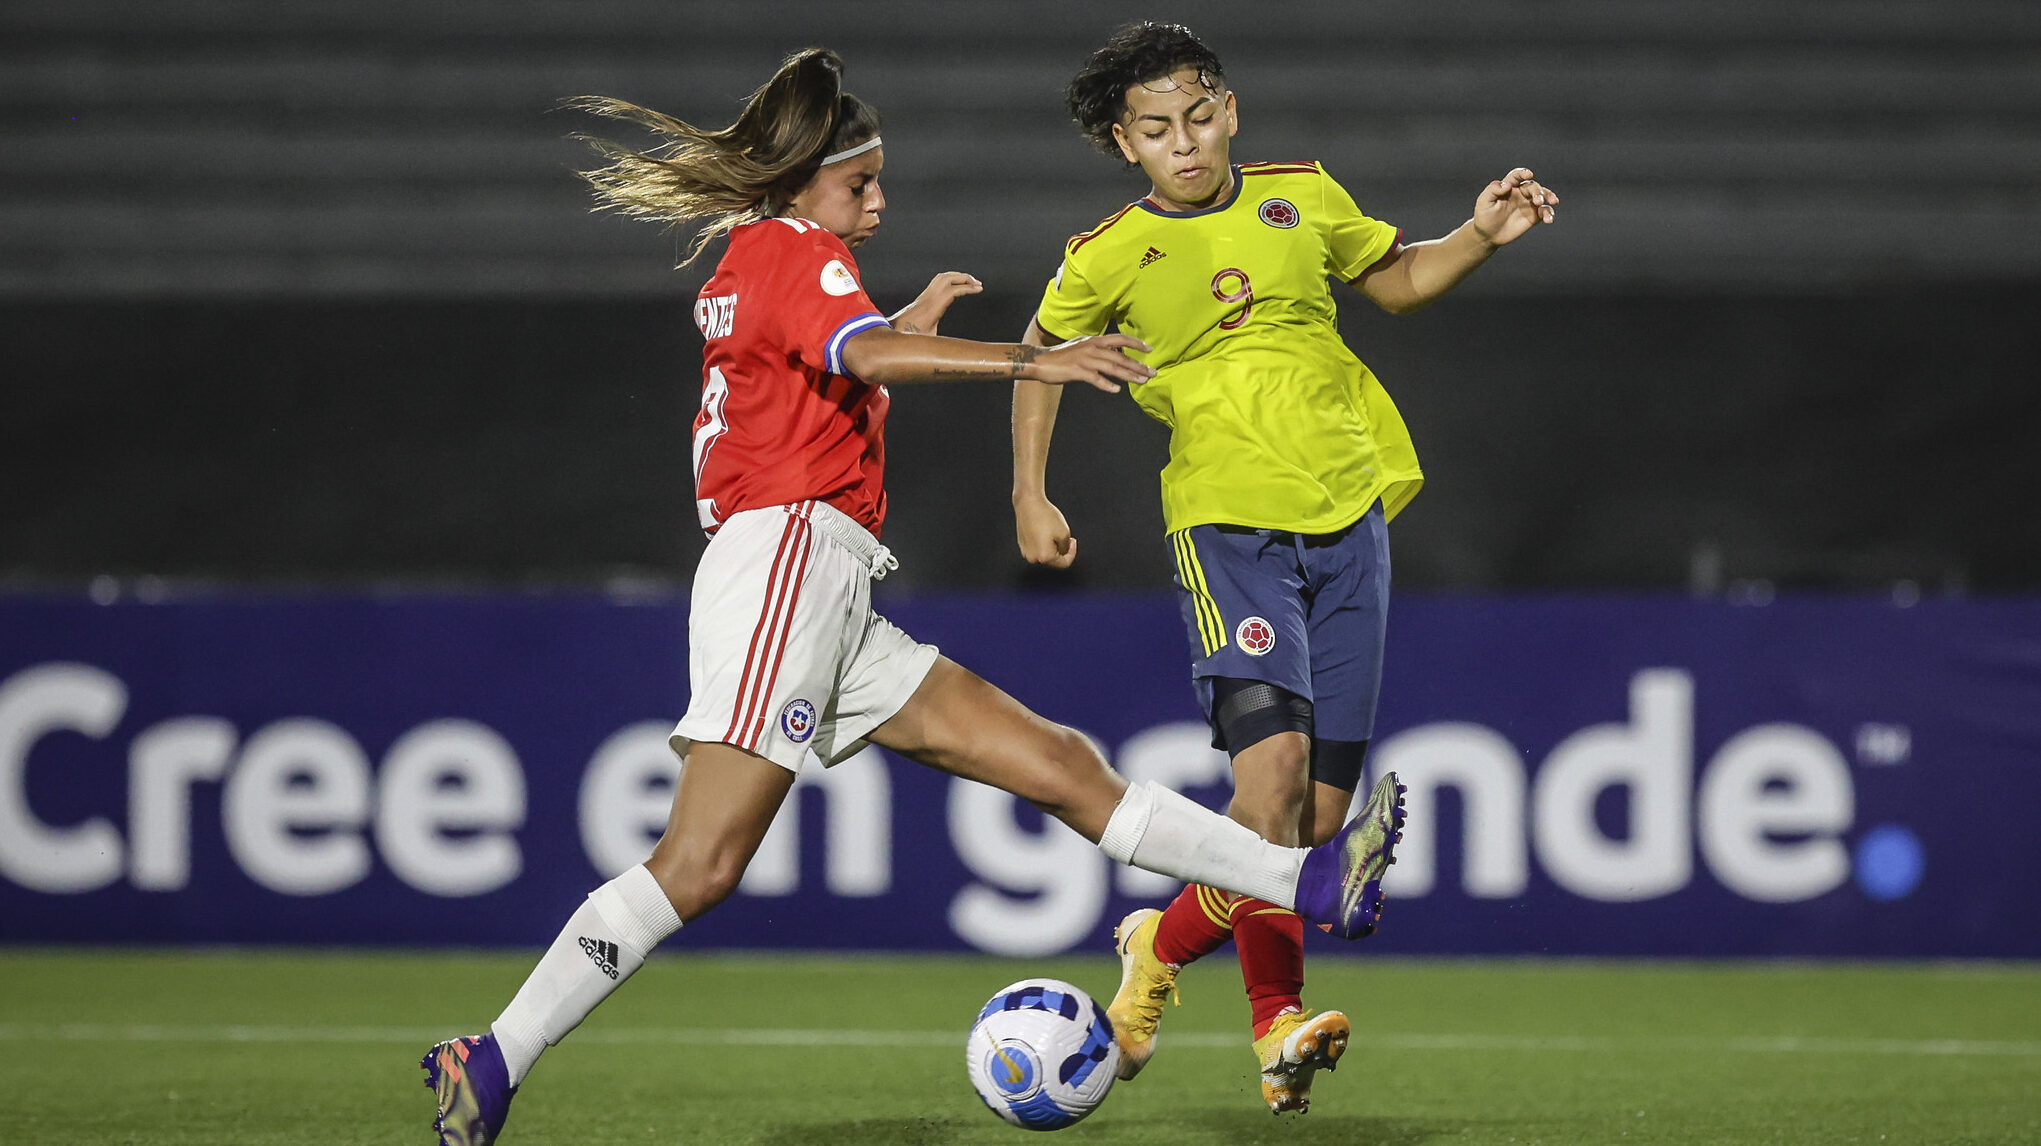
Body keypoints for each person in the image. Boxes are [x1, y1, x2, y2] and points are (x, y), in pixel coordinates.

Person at [420, 47, 1407, 1145]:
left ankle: (1310, 881)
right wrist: (1027, 362)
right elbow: (867, 356)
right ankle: (495, 1055)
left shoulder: (776, 255)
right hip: (787, 564)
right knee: (698, 865)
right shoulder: (793, 248)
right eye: (861, 184)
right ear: (800, 182)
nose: (878, 202)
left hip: (826, 581)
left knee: (1063, 767)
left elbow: (836, 373)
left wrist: (912, 324)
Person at [1011, 22, 1557, 1115]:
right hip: (1227, 529)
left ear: (1231, 110)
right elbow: (1037, 360)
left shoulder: (1300, 195)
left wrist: (1479, 233)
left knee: (1307, 829)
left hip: (1352, 519)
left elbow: (1395, 283)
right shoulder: (1105, 253)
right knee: (1267, 794)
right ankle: (1273, 1032)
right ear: (1126, 145)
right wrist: (1029, 491)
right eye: (1157, 129)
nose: (1186, 142)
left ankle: (1153, 950)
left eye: (1200, 115)